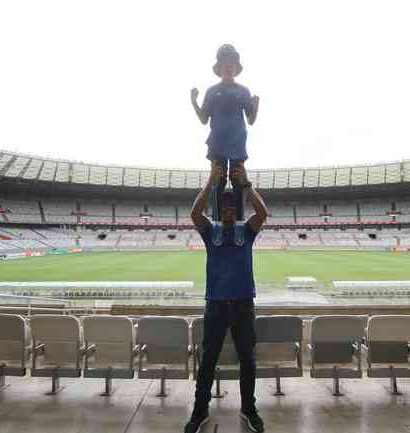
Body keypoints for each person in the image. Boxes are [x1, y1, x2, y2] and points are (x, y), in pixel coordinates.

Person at [184, 162, 268, 433]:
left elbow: (263, 213)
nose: (230, 210)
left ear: (238, 209)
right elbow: (194, 213)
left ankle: (248, 408)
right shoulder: (212, 231)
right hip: (216, 305)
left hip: (243, 305)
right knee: (208, 360)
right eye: (226, 207)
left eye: (234, 207)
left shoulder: (247, 231)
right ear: (221, 209)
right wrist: (211, 181)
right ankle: (200, 412)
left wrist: (246, 184)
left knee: (248, 361)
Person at [191, 44, 260, 247]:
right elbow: (204, 119)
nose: (228, 66)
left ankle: (239, 225)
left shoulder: (243, 91)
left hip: (238, 142)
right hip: (218, 143)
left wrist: (256, 106)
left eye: (231, 62)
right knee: (217, 183)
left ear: (236, 66)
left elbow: (251, 119)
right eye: (224, 63)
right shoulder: (212, 91)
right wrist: (194, 101)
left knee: (238, 181)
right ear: (219, 67)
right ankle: (217, 226)